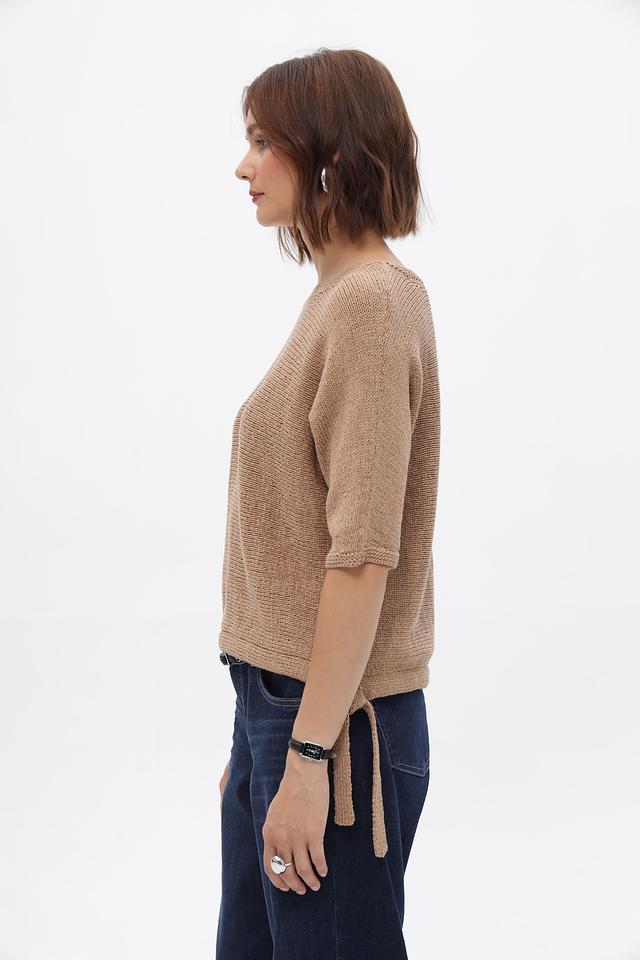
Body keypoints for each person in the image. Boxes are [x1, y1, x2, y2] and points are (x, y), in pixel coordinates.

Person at [216, 47, 440, 960]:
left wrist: (305, 757)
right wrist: (256, 739)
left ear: (331, 154)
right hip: (286, 709)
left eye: (263, 141)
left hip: (340, 735)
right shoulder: (337, 298)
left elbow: (362, 554)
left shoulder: (370, 306)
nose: (243, 166)